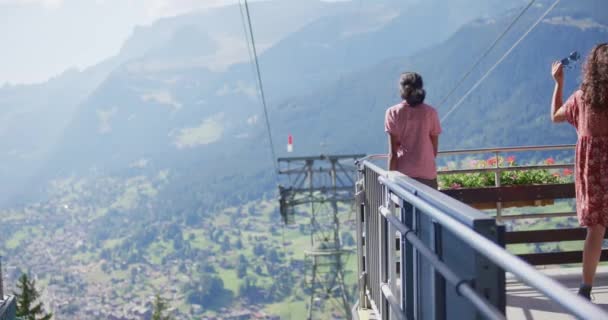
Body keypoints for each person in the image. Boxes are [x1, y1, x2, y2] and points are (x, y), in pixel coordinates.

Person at [551, 43, 608, 300]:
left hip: (593, 169)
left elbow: (555, 116)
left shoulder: (581, 97)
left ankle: (585, 290)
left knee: (595, 229)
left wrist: (558, 83)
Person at [385, 72, 441, 188]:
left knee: (406, 206)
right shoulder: (431, 112)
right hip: (427, 173)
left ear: (402, 89)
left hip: (404, 176)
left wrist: (389, 179)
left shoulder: (392, 112)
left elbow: (393, 154)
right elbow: (434, 150)